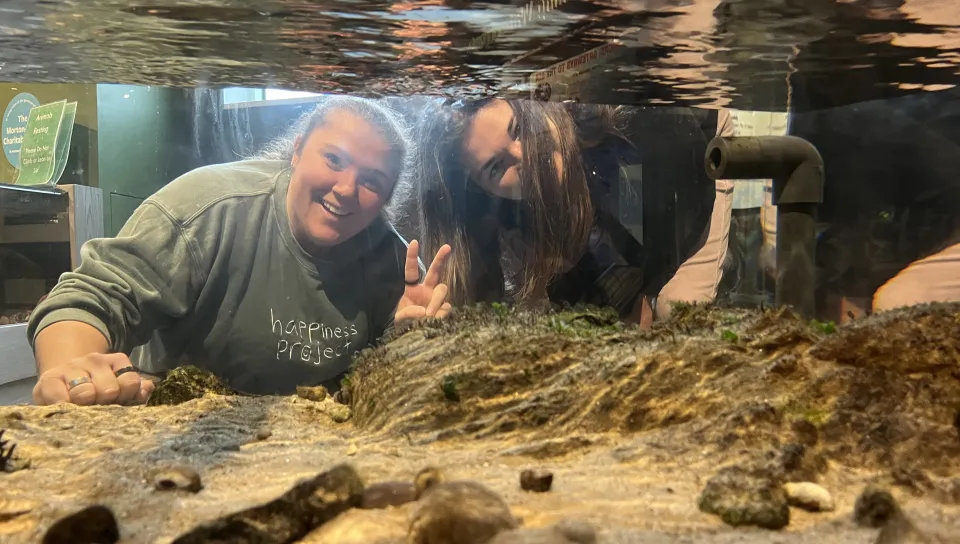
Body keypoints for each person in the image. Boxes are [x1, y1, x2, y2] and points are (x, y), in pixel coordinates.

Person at [28, 95, 451, 407]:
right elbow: (93, 296)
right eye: (334, 159)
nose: (346, 189)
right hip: (174, 416)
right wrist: (73, 370)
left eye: (373, 181)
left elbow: (385, 389)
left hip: (318, 440)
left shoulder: (396, 266)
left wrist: (407, 341)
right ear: (298, 150)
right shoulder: (207, 208)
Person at [413, 98, 716, 325]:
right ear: (481, 191)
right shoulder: (504, 218)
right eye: (494, 167)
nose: (524, 156)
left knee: (677, 307)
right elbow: (604, 301)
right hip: (608, 219)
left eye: (518, 129)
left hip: (695, 162)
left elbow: (639, 281)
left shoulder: (630, 138)